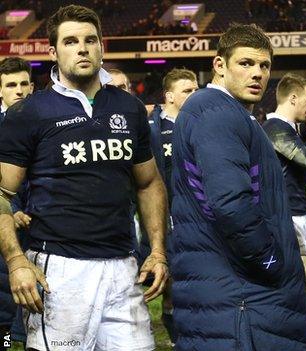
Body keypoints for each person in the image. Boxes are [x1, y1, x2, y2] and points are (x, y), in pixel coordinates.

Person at [0, 5, 168, 350]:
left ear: (102, 47)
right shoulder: (28, 113)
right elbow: (1, 193)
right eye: (71, 41)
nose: (82, 48)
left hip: (124, 265)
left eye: (90, 40)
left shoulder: (128, 107)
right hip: (60, 270)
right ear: (53, 52)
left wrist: (158, 250)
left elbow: (148, 182)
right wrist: (16, 261)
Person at [170, 23, 306, 350]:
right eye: (246, 63)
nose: (257, 73)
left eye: (264, 65)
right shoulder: (217, 113)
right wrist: (270, 261)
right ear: (219, 65)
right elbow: (231, 204)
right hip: (242, 297)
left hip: (227, 290)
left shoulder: (216, 110)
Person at [142, 67, 198, 345]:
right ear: (170, 96)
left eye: (196, 90)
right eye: (188, 90)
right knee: (172, 284)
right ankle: (177, 338)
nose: (194, 95)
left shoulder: (201, 124)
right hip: (168, 216)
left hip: (199, 215)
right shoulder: (155, 128)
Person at [262, 73, 306, 300]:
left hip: (300, 211)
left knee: (304, 289)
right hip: (288, 215)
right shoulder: (274, 127)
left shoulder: (288, 128)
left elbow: (300, 173)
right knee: (300, 290)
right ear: (293, 98)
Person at [0, 56, 33, 345]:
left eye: (24, 84)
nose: (19, 90)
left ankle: (21, 339)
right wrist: (13, 210)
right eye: (11, 85)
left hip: (38, 227)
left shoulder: (42, 123)